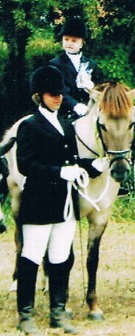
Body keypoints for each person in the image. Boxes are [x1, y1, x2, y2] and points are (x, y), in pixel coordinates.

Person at [16, 66, 105, 335]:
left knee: (60, 257)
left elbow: (71, 160)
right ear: (39, 96)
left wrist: (91, 166)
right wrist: (59, 172)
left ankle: (58, 311)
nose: (58, 98)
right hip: (39, 202)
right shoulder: (29, 126)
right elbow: (26, 165)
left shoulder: (66, 125)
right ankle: (26, 315)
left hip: (65, 203)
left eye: (59, 94)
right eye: (52, 94)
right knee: (32, 256)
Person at [49, 17, 103, 119]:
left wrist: (92, 86)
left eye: (74, 41)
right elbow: (58, 89)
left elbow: (100, 85)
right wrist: (75, 105)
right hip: (65, 113)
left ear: (82, 43)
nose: (69, 43)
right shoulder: (55, 64)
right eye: (66, 39)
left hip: (90, 110)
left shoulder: (91, 64)